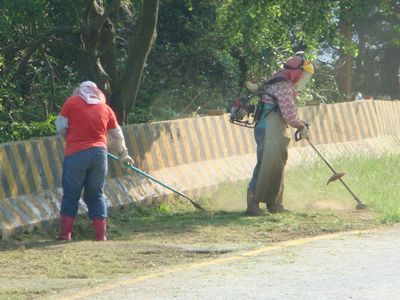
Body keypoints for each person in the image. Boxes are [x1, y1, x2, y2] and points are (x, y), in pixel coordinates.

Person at [55, 81, 134, 241]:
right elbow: (117, 134)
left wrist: (69, 139)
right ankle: (100, 235)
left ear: (80, 91)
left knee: (71, 194)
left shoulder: (72, 102)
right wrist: (123, 154)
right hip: (99, 155)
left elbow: (61, 126)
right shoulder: (106, 109)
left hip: (75, 154)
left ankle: (65, 234)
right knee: (96, 194)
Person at [246, 52, 314, 215]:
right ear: (296, 72)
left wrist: (301, 124)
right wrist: (299, 126)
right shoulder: (283, 85)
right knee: (266, 165)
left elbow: (286, 112)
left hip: (272, 128)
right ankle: (252, 204)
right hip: (269, 128)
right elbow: (289, 116)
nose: (303, 78)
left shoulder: (278, 79)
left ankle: (274, 203)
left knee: (278, 164)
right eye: (303, 74)